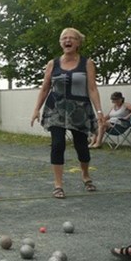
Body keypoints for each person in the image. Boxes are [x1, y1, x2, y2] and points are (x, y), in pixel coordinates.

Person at [31, 27, 104, 199]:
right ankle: (58, 185)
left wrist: (99, 111)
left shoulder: (87, 63)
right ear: (60, 42)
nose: (67, 40)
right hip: (56, 109)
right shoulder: (52, 64)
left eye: (72, 38)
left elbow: (92, 89)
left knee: (82, 148)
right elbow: (45, 88)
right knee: (57, 145)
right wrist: (36, 109)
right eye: (64, 38)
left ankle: (86, 176)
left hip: (80, 110)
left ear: (78, 43)